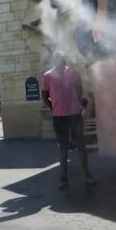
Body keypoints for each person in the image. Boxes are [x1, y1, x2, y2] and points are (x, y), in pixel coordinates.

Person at [41, 52, 95, 189]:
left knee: (81, 146)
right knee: (63, 148)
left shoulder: (73, 73)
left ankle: (88, 176)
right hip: (59, 117)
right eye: (59, 59)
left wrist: (77, 103)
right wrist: (53, 107)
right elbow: (44, 95)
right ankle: (63, 179)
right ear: (55, 60)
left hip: (75, 115)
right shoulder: (48, 76)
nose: (62, 61)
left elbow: (79, 89)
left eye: (63, 59)